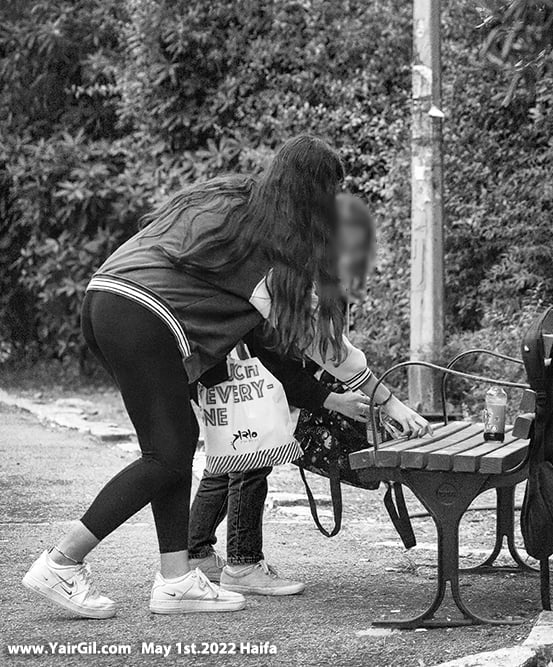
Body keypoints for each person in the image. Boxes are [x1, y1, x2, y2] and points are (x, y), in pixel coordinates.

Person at [21, 137, 430, 619]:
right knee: (165, 454)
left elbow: (268, 346)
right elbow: (322, 347)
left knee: (171, 449)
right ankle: (63, 561)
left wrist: (334, 398)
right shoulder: (273, 244)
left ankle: (176, 580)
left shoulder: (233, 199)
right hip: (144, 312)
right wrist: (390, 401)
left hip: (106, 298)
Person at [187, 194, 377, 596]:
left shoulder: (270, 254)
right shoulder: (291, 268)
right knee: (250, 461)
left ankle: (197, 552)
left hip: (217, 361)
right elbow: (304, 344)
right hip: (246, 366)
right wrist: (332, 395)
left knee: (224, 457)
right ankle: (241, 563)